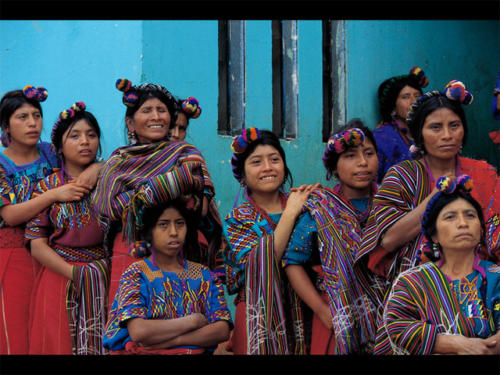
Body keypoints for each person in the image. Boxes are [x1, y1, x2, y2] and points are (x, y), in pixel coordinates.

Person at [92, 79, 223, 310]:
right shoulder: (118, 161)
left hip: (179, 247)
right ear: (130, 122)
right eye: (147, 110)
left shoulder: (186, 153)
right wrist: (170, 186)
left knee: (180, 322)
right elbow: (106, 207)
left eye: (161, 110)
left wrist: (142, 197)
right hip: (130, 249)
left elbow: (200, 206)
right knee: (132, 324)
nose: (156, 116)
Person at [356, 80, 499, 292]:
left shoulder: (484, 174)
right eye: (435, 127)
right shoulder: (403, 176)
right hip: (420, 293)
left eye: (454, 126)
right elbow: (387, 240)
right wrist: (436, 196)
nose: (447, 136)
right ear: (419, 133)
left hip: (479, 289)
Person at [0, 86, 100, 354]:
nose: (32, 123)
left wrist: (96, 169)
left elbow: (92, 157)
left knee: (54, 328)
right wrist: (55, 194)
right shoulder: (1, 164)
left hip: (52, 252)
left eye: (36, 115)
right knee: (17, 330)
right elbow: (9, 215)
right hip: (13, 256)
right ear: (6, 126)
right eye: (22, 117)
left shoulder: (50, 152)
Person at [282, 120, 382, 354]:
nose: (363, 163)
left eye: (369, 153)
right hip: (336, 314)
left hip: (388, 311)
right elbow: (292, 262)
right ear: (334, 167)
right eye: (350, 156)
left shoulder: (390, 203)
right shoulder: (321, 208)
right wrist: (322, 311)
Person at [376, 175, 500, 355]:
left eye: (470, 216)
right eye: (450, 217)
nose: (463, 224)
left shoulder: (495, 277)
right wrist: (455, 344)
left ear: (480, 230)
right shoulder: (412, 282)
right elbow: (397, 326)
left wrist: (482, 350)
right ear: (434, 235)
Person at [222, 127, 317, 354]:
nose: (267, 168)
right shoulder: (236, 220)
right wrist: (291, 212)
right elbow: (263, 263)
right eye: (256, 162)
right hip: (257, 316)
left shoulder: (307, 207)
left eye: (274, 159)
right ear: (242, 175)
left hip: (305, 312)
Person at [25, 101, 108, 354]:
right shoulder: (46, 186)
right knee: (58, 344)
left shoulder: (109, 181)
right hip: (59, 277)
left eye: (91, 135)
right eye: (75, 136)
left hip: (103, 274)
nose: (85, 141)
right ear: (59, 146)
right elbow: (36, 243)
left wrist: (99, 167)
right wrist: (73, 273)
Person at [103, 198, 232, 355]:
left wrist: (174, 341)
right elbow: (139, 331)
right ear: (149, 231)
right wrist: (193, 321)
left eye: (180, 223)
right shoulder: (137, 274)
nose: (173, 232)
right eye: (163, 224)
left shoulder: (205, 275)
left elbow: (222, 330)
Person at [373, 66, 429, 183]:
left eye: (417, 96)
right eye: (406, 97)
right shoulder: (382, 138)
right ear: (393, 109)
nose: (414, 102)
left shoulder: (429, 134)